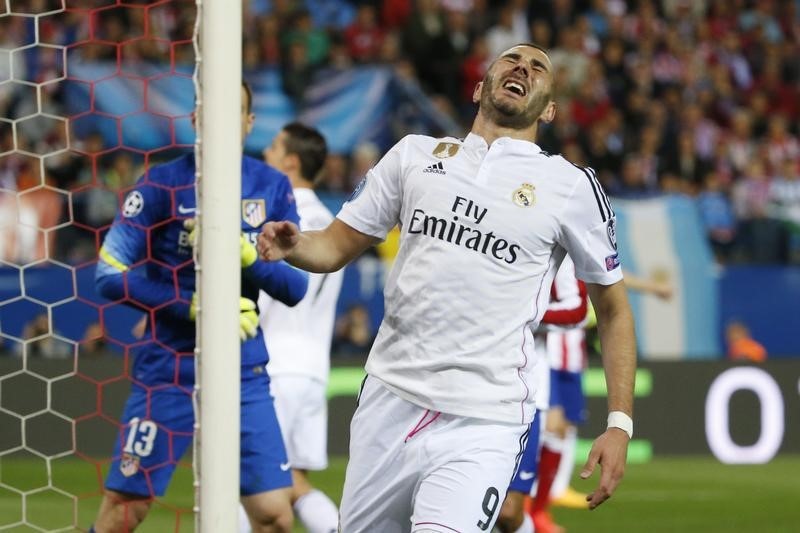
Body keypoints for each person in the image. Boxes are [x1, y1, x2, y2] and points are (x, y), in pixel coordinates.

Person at [258, 43, 636, 532]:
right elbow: (332, 247)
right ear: (480, 87)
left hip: (484, 419)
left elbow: (614, 308)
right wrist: (294, 244)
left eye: (538, 66)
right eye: (511, 60)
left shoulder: (570, 186)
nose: (523, 66)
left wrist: (619, 423)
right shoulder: (413, 156)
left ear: (549, 109)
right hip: (389, 400)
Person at [91, 83, 308, 533]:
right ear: (195, 120)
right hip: (168, 369)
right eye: (212, 112)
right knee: (123, 511)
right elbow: (108, 273)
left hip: (243, 372)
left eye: (236, 113)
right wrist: (195, 308)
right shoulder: (159, 184)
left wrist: (249, 253)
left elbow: (295, 287)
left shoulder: (271, 186)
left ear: (250, 123)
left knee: (275, 516)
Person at [237, 122, 344, 533]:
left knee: (243, 486)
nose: (265, 152)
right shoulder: (332, 225)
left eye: (275, 147)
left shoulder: (280, 219)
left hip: (271, 368)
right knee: (296, 484)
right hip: (314, 370)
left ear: (290, 161)